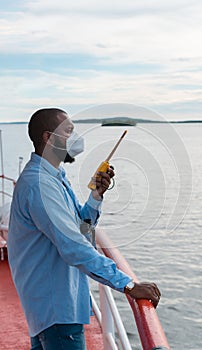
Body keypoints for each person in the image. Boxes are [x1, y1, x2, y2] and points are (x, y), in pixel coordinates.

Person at [7, 108, 161, 350]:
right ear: (48, 138)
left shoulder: (54, 177)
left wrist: (96, 195)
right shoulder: (40, 185)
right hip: (56, 310)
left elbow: (80, 228)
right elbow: (74, 247)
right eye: (69, 131)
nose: (75, 137)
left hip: (51, 307)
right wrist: (128, 285)